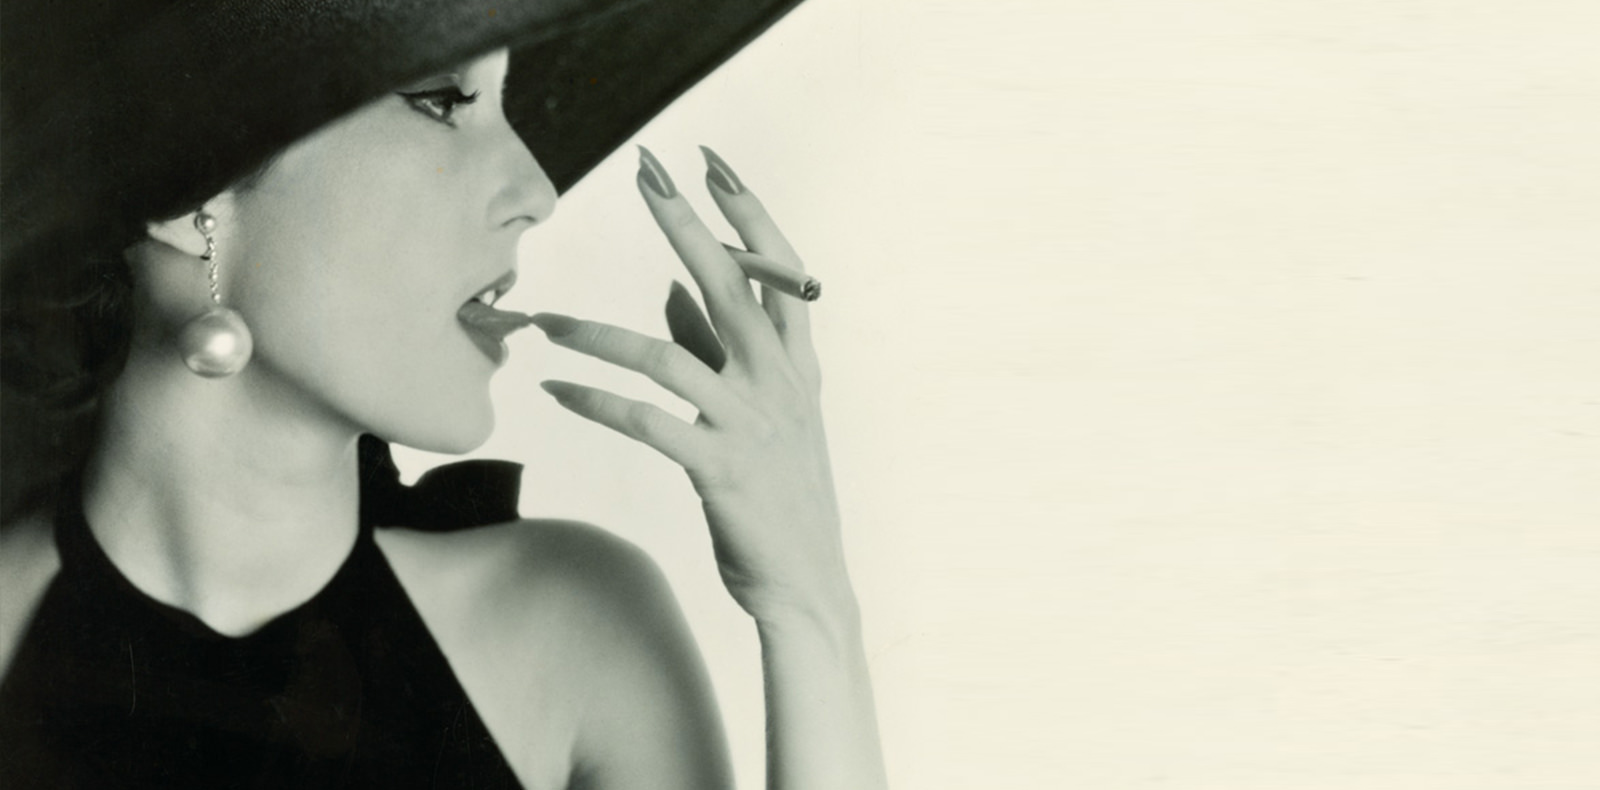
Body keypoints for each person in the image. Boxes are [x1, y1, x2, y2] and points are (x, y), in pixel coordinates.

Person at [0, 1, 887, 787]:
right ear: (193, 184)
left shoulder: (573, 633)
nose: (538, 192)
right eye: (440, 99)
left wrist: (809, 605)